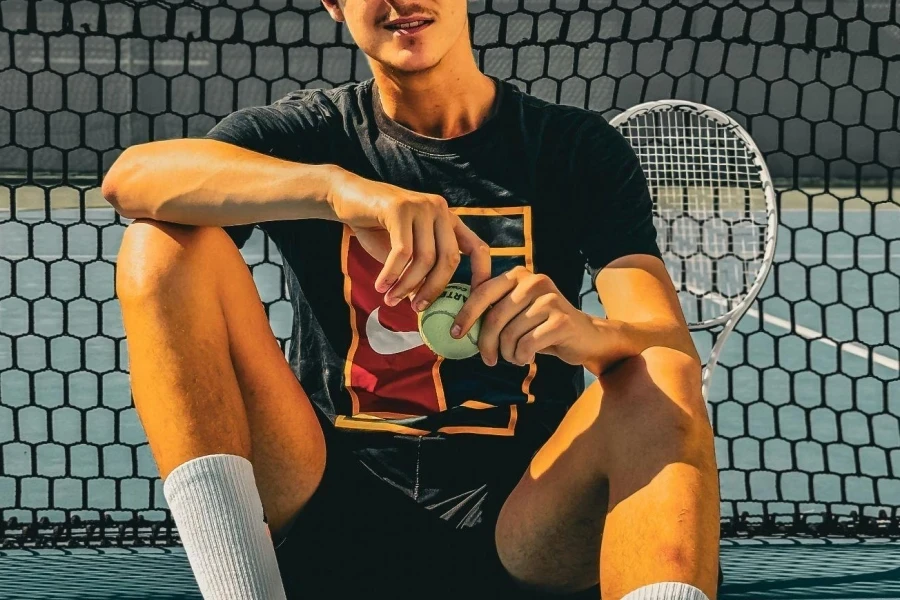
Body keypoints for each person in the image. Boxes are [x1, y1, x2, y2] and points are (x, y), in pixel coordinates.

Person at [103, 0, 720, 598]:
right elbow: (130, 180)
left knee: (661, 374)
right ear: (334, 3)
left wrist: (592, 334)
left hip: (526, 518)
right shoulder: (309, 135)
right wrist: (335, 190)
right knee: (160, 247)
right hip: (324, 497)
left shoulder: (575, 148)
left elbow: (664, 341)